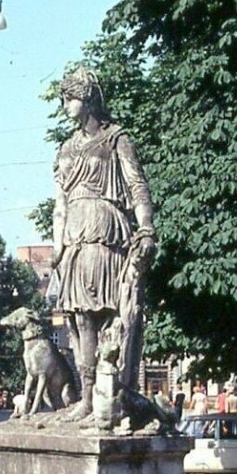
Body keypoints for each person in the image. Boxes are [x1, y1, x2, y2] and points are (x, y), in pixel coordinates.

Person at [45, 67, 156, 423]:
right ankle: (87, 398)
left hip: (107, 232)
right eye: (63, 98)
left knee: (110, 316)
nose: (66, 105)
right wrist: (58, 247)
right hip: (76, 237)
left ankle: (113, 395)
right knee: (80, 322)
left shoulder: (116, 139)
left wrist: (147, 227)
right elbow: (59, 203)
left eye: (71, 97)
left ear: (89, 98)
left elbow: (137, 185)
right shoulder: (66, 148)